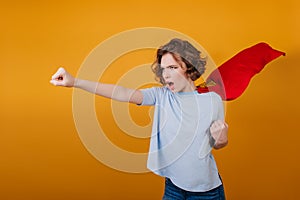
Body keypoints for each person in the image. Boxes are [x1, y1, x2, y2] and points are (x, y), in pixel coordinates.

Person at [50, 38, 228, 200]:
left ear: (189, 67)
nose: (166, 75)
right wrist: (75, 82)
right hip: (173, 187)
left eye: (173, 67)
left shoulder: (211, 100)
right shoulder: (161, 96)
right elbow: (122, 92)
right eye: (163, 69)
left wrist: (222, 139)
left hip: (207, 192)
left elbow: (217, 143)